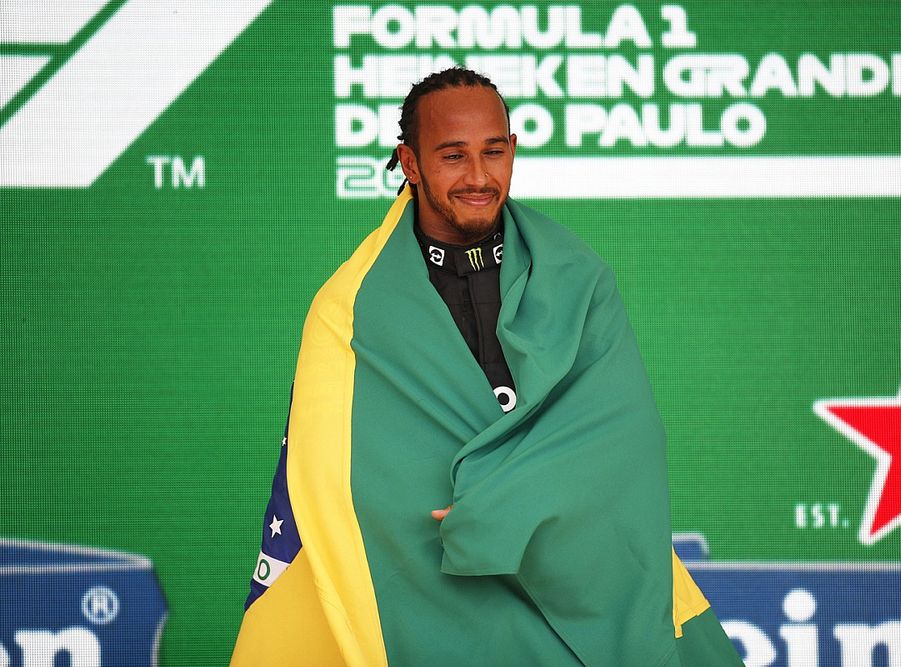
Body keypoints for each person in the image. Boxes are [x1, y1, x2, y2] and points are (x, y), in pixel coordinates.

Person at [231, 67, 742, 666]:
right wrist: (474, 517)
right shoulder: (347, 312)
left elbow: (623, 442)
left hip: (576, 569)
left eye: (493, 152)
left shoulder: (580, 278)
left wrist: (506, 505)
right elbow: (337, 483)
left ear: (512, 151)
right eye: (452, 156)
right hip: (428, 594)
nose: (478, 177)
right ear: (411, 162)